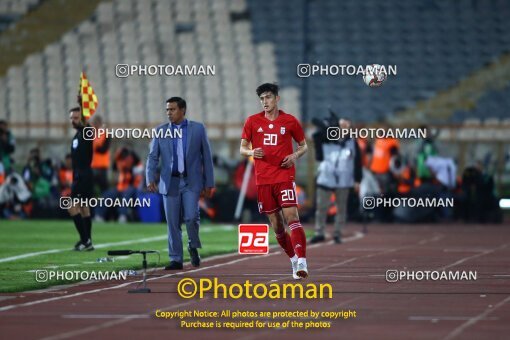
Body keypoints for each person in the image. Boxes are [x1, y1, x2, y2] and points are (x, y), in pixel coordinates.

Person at [240, 83, 309, 279]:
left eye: (268, 97)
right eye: (262, 99)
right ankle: (294, 259)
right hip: (263, 180)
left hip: (284, 177)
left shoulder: (290, 121)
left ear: (277, 98)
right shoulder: (252, 121)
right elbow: (242, 148)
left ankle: (303, 261)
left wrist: (294, 156)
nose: (265, 102)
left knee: (292, 218)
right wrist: (252, 151)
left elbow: (304, 146)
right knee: (277, 226)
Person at [146, 97, 214, 270]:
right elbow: (153, 157)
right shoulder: (160, 131)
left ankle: (193, 245)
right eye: (167, 110)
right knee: (172, 223)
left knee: (191, 217)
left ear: (183, 110)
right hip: (170, 182)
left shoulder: (198, 129)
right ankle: (176, 258)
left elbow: (206, 157)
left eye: (173, 109)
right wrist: (150, 178)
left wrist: (209, 182)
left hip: (191, 181)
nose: (169, 113)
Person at [311, 117, 362, 244]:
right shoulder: (326, 139)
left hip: (344, 180)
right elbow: (316, 135)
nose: (344, 127)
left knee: (341, 208)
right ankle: (319, 232)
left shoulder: (352, 142)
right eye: (342, 124)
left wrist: (357, 180)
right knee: (321, 207)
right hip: (326, 177)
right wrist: (327, 126)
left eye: (347, 125)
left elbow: (357, 162)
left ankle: (338, 232)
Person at [68, 107, 94, 251]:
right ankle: (87, 241)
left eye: (76, 118)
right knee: (84, 208)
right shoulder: (78, 134)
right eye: (71, 118)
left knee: (71, 206)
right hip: (80, 175)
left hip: (83, 176)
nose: (73, 120)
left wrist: (82, 103)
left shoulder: (86, 132)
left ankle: (85, 240)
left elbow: (87, 126)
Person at [95, 147, 143, 222]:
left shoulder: (135, 162)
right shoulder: (120, 163)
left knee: (126, 195)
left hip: (133, 188)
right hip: (120, 188)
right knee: (107, 194)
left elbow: (139, 173)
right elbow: (115, 168)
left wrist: (130, 170)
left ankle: (122, 216)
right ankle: (99, 215)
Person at [90, 115, 111, 194]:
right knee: (91, 189)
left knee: (104, 189)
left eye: (96, 123)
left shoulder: (105, 134)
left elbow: (103, 149)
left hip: (102, 166)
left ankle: (106, 205)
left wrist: (95, 146)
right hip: (92, 165)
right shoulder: (90, 134)